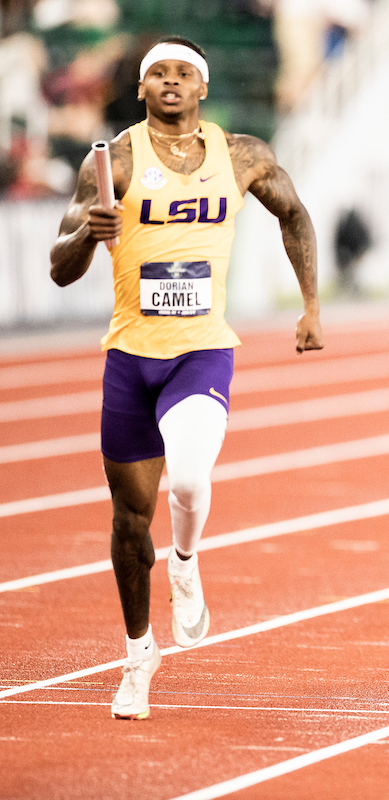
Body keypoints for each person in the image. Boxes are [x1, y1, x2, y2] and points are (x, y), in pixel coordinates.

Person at [49, 36, 324, 721]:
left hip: (201, 351)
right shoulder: (111, 162)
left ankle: (185, 560)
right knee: (128, 523)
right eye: (159, 74)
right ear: (142, 88)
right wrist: (88, 233)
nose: (171, 82)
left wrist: (311, 306)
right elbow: (58, 267)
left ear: (202, 88)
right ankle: (138, 654)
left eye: (184, 74)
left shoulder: (243, 156)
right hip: (129, 357)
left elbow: (294, 214)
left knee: (192, 480)